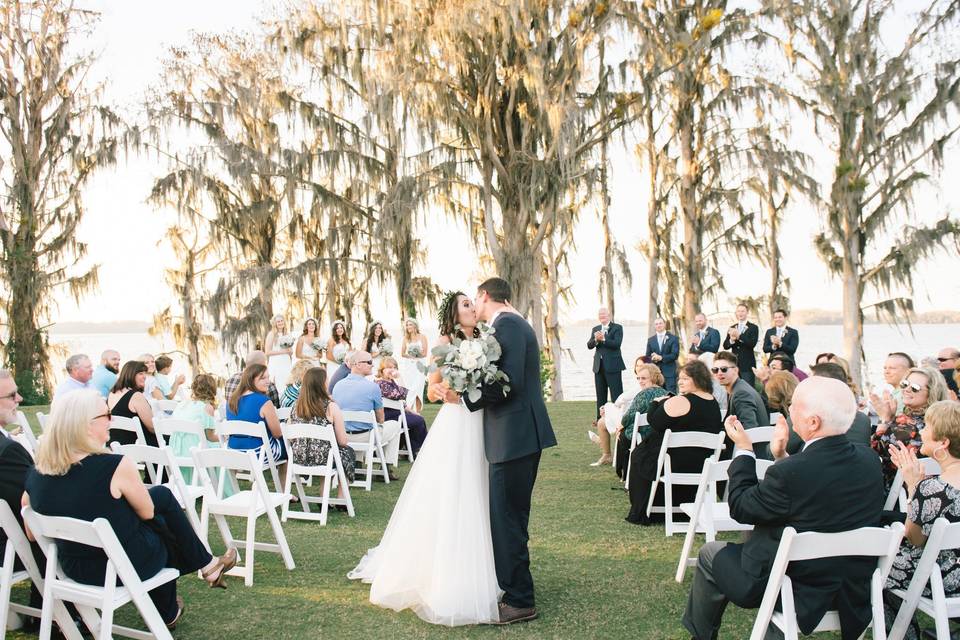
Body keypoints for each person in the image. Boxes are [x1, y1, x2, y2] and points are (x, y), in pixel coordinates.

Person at [681, 377, 884, 640]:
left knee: (710, 553)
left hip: (792, 586)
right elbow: (814, 493)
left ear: (814, 422)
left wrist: (743, 450)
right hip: (851, 587)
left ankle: (701, 636)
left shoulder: (791, 473)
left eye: (794, 406)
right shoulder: (869, 460)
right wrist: (781, 458)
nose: (788, 412)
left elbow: (742, 507)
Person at [349, 290, 507, 625]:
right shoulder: (445, 340)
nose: (473, 308)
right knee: (453, 490)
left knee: (480, 489)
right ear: (454, 312)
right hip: (457, 422)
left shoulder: (485, 337)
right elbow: (434, 385)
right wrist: (441, 391)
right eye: (466, 304)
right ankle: (445, 574)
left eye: (473, 303)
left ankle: (484, 565)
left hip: (481, 420)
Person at [22, 390, 237, 630]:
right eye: (106, 414)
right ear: (85, 426)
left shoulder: (36, 471)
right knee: (159, 521)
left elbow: (31, 531)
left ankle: (202, 572)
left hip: (74, 568)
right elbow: (146, 512)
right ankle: (183, 594)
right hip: (124, 567)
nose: (111, 420)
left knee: (159, 499)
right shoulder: (114, 466)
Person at [464, 277, 558, 623]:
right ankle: (515, 588)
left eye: (476, 298)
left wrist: (464, 397)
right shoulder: (509, 324)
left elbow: (508, 383)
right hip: (515, 435)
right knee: (510, 516)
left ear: (485, 295)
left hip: (514, 436)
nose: (475, 304)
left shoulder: (509, 326)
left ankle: (520, 600)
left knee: (507, 519)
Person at [884, 401, 960, 639]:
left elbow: (915, 538)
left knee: (881, 567)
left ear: (943, 443)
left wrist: (913, 486)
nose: (921, 431)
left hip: (945, 578)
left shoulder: (933, 488)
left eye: (926, 426)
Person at [625, 360, 722, 525]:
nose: (679, 382)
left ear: (698, 379)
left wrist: (656, 402)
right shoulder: (712, 402)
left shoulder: (683, 401)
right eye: (680, 378)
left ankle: (649, 508)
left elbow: (655, 422)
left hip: (675, 463)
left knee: (640, 455)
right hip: (702, 463)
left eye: (685, 378)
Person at [0, 370, 45, 618]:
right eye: (11, 395)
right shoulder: (8, 451)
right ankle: (53, 613)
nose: (19, 398)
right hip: (8, 547)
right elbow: (34, 499)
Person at [871, 366, 949, 488]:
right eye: (905, 384)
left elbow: (873, 451)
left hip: (898, 494)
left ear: (932, 393)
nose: (907, 389)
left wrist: (885, 419)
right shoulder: (945, 422)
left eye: (915, 388)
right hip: (937, 487)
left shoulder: (905, 425)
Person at [289, 368, 356, 503]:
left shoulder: (296, 407)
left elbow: (291, 438)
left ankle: (322, 497)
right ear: (322, 384)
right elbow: (342, 441)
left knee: (330, 452)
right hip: (323, 459)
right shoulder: (331, 407)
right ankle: (341, 496)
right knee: (346, 451)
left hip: (298, 457)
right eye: (327, 380)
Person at [331, 350, 401, 477]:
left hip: (341, 437)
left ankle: (357, 463)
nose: (372, 365)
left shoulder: (338, 386)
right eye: (369, 362)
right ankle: (386, 467)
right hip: (365, 438)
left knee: (359, 427)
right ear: (357, 364)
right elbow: (380, 418)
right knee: (395, 425)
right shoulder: (372, 387)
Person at [225, 364, 288, 479]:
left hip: (234, 452)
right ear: (250, 380)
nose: (268, 381)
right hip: (258, 452)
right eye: (263, 378)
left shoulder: (231, 401)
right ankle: (283, 492)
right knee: (287, 446)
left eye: (268, 377)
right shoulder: (264, 401)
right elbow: (277, 433)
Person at [612, 364, 669, 477]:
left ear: (653, 377)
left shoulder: (643, 394)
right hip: (659, 435)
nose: (640, 381)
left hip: (642, 434)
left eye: (643, 378)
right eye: (638, 378)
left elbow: (629, 416)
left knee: (622, 435)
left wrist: (621, 426)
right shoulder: (666, 393)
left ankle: (623, 472)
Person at [588, 357, 646, 468]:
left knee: (607, 408)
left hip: (631, 421)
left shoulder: (642, 385)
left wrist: (609, 408)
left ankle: (602, 443)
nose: (639, 368)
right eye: (637, 365)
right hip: (630, 415)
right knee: (602, 422)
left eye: (642, 365)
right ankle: (606, 455)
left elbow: (622, 399)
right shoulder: (638, 383)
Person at [169, 373, 220, 484]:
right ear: (212, 389)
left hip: (177, 450)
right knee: (221, 446)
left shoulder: (181, 404)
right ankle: (216, 485)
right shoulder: (207, 407)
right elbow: (210, 437)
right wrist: (224, 437)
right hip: (194, 450)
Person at [375, 357, 427, 457]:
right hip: (388, 415)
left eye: (394, 367)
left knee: (418, 418)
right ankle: (414, 449)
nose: (392, 370)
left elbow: (401, 402)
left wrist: (412, 411)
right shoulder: (381, 383)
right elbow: (402, 395)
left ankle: (411, 448)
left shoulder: (391, 382)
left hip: (397, 413)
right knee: (418, 421)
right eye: (389, 367)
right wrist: (399, 378)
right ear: (382, 370)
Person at [712, 351, 769, 439]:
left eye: (724, 369)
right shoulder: (740, 387)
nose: (719, 373)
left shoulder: (741, 393)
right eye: (715, 370)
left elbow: (749, 427)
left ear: (735, 370)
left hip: (750, 449)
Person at [587, 307, 626, 420]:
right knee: (600, 395)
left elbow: (616, 344)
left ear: (609, 315)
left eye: (604, 314)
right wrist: (595, 340)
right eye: (600, 315)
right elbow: (589, 345)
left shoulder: (617, 328)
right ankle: (600, 419)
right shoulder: (595, 328)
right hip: (598, 367)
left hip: (613, 366)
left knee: (616, 395)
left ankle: (619, 418)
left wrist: (603, 338)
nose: (602, 316)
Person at [107, 361, 158, 447]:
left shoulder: (112, 393)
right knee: (174, 440)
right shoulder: (135, 396)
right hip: (138, 445)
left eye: (145, 373)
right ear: (131, 374)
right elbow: (152, 428)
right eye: (141, 373)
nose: (144, 377)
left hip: (116, 444)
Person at [723, 303, 759, 386]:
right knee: (734, 387)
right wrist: (731, 340)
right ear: (736, 313)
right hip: (733, 364)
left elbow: (752, 344)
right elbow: (725, 345)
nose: (740, 313)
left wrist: (739, 336)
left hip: (747, 365)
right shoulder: (732, 327)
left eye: (743, 311)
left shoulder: (753, 327)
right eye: (738, 311)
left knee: (748, 388)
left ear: (747, 313)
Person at [398, 318, 428, 411]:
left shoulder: (422, 336)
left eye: (410, 324)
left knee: (418, 388)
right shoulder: (405, 338)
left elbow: (425, 353)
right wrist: (411, 356)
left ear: (415, 325)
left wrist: (417, 354)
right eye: (407, 325)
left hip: (420, 366)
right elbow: (402, 354)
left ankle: (418, 413)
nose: (408, 327)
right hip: (409, 367)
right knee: (410, 389)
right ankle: (409, 411)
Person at [645, 317, 680, 393]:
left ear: (664, 324)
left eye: (660, 323)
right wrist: (653, 358)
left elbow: (675, 355)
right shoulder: (651, 340)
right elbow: (647, 357)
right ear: (654, 326)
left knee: (671, 395)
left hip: (669, 373)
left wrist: (661, 357)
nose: (658, 325)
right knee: (658, 395)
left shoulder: (673, 338)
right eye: (656, 324)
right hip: (656, 374)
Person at [265, 314, 294, 386]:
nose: (280, 323)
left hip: (286, 361)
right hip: (276, 362)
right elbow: (267, 352)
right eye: (278, 321)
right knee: (278, 383)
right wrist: (283, 352)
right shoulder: (271, 334)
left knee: (287, 382)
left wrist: (290, 351)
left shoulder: (287, 335)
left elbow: (290, 351)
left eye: (282, 321)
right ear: (275, 323)